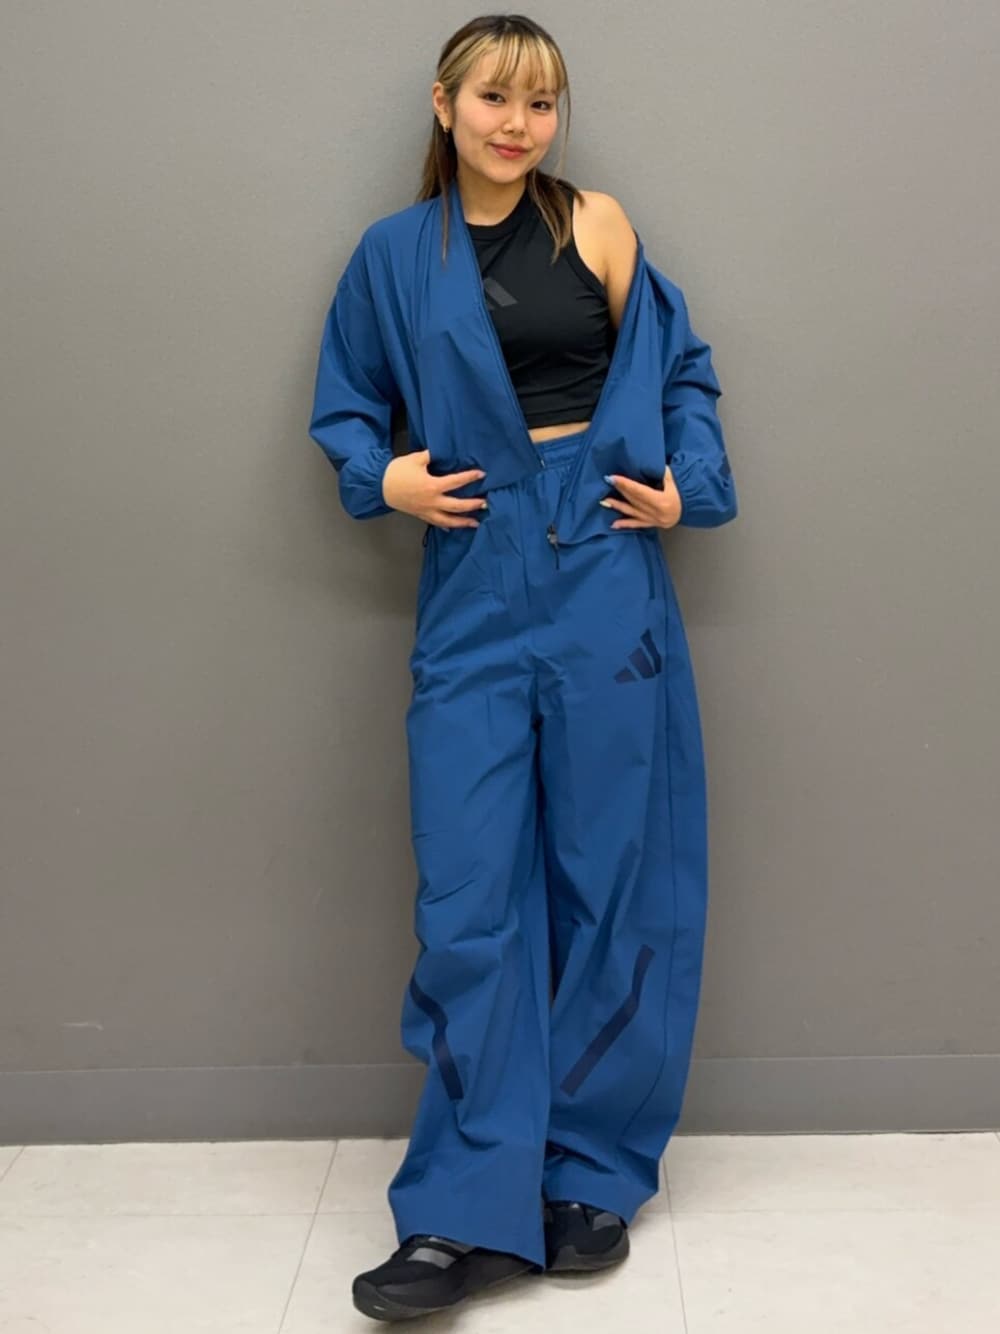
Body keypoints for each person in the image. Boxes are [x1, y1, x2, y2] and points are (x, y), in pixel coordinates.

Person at [307, 12, 738, 1323]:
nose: (518, 124)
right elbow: (345, 404)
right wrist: (382, 476)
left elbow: (682, 373)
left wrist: (686, 484)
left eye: (541, 102)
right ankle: (463, 1206)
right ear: (445, 106)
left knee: (614, 879)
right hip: (477, 581)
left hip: (605, 568)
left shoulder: (596, 226)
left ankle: (590, 1172)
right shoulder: (393, 256)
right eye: (495, 97)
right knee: (470, 894)